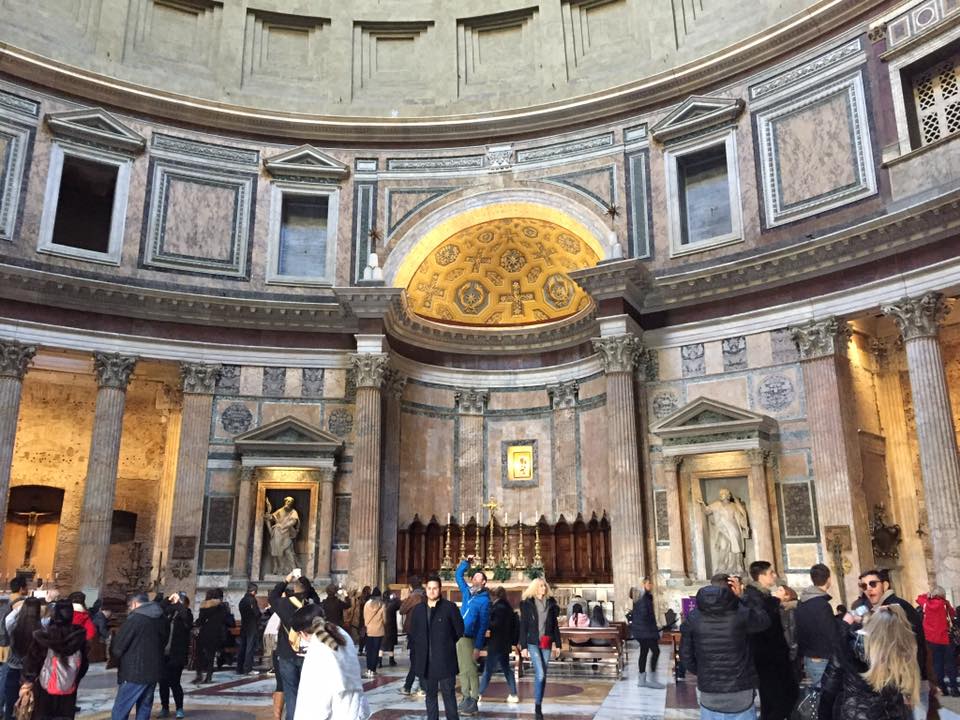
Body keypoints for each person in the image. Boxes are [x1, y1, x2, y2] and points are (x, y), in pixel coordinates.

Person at [679, 573, 771, 720]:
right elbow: (764, 620)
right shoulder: (741, 613)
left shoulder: (694, 617)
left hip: (709, 690)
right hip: (740, 688)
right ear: (732, 589)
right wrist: (743, 597)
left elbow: (686, 656)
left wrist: (703, 671)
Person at [820, 605, 920, 720]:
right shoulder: (902, 653)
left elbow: (829, 690)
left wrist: (844, 625)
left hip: (853, 714)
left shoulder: (847, 648)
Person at [290, 603, 369, 720]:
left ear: (302, 633)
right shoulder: (341, 634)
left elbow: (316, 697)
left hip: (336, 711)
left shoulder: (318, 648)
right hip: (354, 707)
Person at [743, 562, 797, 720]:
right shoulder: (752, 596)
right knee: (775, 700)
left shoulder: (763, 595)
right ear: (761, 576)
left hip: (775, 656)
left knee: (784, 696)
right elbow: (760, 621)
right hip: (767, 657)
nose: (775, 575)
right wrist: (775, 601)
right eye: (771, 573)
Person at [18, 600, 87, 720]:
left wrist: (27, 681)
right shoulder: (79, 639)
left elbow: (32, 662)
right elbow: (84, 665)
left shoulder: (44, 637)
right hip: (68, 692)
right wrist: (72, 678)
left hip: (44, 692)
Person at [408, 574, 463, 720]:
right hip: (426, 663)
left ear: (440, 589)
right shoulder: (418, 610)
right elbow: (413, 632)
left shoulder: (449, 608)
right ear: (425, 589)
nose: (432, 591)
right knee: (430, 697)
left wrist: (446, 643)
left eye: (435, 588)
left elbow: (459, 630)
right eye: (429, 588)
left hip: (445, 661)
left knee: (449, 696)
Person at [857, 569, 924, 677]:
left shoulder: (893, 608)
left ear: (885, 585)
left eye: (873, 584)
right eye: (864, 586)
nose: (869, 589)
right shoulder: (881, 608)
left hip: (903, 673)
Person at [110, 592, 165, 720]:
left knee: (120, 709)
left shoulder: (135, 619)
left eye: (129, 606)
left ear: (134, 604)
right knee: (144, 708)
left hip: (134, 672)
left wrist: (115, 654)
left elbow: (119, 646)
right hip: (153, 670)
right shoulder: (160, 618)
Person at [269, 572, 315, 720]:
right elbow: (317, 599)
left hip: (287, 652)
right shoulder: (313, 606)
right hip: (308, 655)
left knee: (291, 692)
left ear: (294, 588)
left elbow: (273, 597)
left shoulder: (284, 604)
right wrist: (309, 588)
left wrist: (286, 580)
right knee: (307, 692)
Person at [518, 577, 561, 720]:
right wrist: (523, 646)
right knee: (540, 674)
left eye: (545, 586)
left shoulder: (551, 604)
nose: (544, 588)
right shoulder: (527, 604)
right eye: (541, 586)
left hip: (546, 641)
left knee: (543, 676)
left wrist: (558, 644)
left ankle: (539, 704)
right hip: (533, 642)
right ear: (535, 588)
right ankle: (537, 705)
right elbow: (523, 626)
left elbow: (555, 626)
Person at [454, 556, 490, 716]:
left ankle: (474, 699)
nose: (475, 580)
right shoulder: (467, 593)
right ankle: (465, 697)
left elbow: (483, 625)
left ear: (484, 582)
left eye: (478, 578)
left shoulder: (485, 601)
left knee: (471, 669)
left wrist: (478, 646)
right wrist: (466, 563)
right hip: (460, 635)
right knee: (463, 669)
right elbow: (458, 576)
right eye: (474, 578)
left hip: (471, 637)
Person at [795, 563, 836, 685]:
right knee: (824, 693)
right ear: (829, 579)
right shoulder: (822, 605)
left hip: (809, 656)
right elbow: (830, 634)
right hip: (821, 658)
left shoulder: (802, 602)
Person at [478, 586, 519, 704]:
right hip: (504, 643)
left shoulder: (499, 608)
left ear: (495, 596)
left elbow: (496, 624)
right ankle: (513, 694)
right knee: (506, 669)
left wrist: (486, 624)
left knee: (488, 670)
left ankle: (478, 693)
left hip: (496, 643)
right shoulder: (507, 607)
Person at [4, 597, 42, 720]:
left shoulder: (14, 627)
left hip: (14, 669)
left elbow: (8, 619)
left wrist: (20, 608)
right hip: (33, 674)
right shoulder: (41, 630)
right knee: (29, 708)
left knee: (11, 706)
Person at [916, 585, 958, 696]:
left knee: (937, 664)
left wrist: (928, 595)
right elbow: (953, 614)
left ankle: (942, 688)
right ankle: (954, 689)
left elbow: (918, 598)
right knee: (950, 664)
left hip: (932, 639)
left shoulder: (926, 604)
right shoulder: (945, 604)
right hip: (945, 638)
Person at [159, 593, 193, 719]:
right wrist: (168, 599)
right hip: (163, 653)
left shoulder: (187, 614)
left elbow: (187, 621)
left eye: (179, 602)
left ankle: (179, 708)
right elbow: (159, 609)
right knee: (163, 682)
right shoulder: (168, 613)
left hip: (177, 654)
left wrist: (179, 605)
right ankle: (164, 707)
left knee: (175, 682)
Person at [0, 578, 27, 716]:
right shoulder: (19, 604)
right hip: (10, 646)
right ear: (22, 588)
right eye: (26, 586)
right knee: (6, 678)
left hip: (3, 644)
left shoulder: (6, 602)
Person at [631, 578, 665, 689]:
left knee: (644, 652)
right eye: (649, 583)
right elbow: (646, 616)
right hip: (645, 630)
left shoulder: (643, 597)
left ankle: (643, 679)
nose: (651, 585)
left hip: (642, 630)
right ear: (643, 584)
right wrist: (654, 630)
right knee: (655, 651)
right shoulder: (643, 598)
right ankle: (652, 678)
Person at [398, 577, 426, 697]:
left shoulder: (413, 597)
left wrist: (406, 599)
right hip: (425, 630)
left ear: (411, 586)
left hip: (414, 630)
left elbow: (402, 610)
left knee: (415, 660)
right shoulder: (426, 596)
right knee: (421, 658)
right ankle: (412, 686)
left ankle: (414, 687)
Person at [193, 589, 227, 684]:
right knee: (211, 656)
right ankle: (208, 676)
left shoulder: (204, 605)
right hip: (216, 632)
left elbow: (201, 620)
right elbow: (224, 619)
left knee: (199, 654)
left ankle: (199, 674)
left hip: (204, 632)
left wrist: (196, 624)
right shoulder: (221, 606)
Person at [237, 584, 262, 675]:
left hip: (244, 625)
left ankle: (239, 668)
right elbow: (257, 613)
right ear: (254, 591)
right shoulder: (252, 600)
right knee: (250, 648)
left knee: (242, 647)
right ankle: (248, 668)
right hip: (252, 626)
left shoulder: (242, 600)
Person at [361, 588, 385, 678]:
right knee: (375, 651)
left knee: (369, 651)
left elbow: (364, 616)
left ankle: (369, 669)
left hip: (369, 630)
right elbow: (385, 619)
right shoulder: (382, 605)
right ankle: (373, 670)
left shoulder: (367, 604)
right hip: (379, 630)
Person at [380, 590, 401, 668]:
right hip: (391, 627)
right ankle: (391, 660)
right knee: (390, 644)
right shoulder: (392, 605)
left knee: (382, 644)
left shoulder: (381, 604)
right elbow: (399, 604)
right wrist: (395, 598)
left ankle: (379, 661)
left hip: (382, 626)